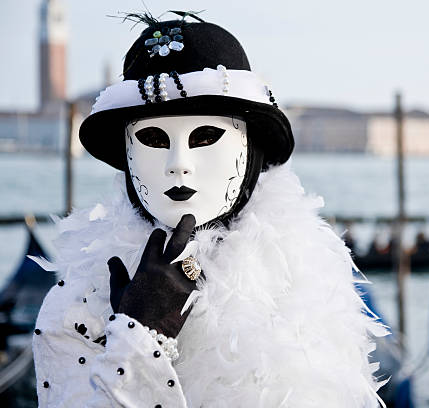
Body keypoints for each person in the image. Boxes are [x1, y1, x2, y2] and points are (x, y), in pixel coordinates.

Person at [32, 14, 385, 407]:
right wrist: (137, 339)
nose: (178, 164)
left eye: (204, 137)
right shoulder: (81, 299)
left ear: (252, 151)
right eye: (152, 138)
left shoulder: (310, 280)